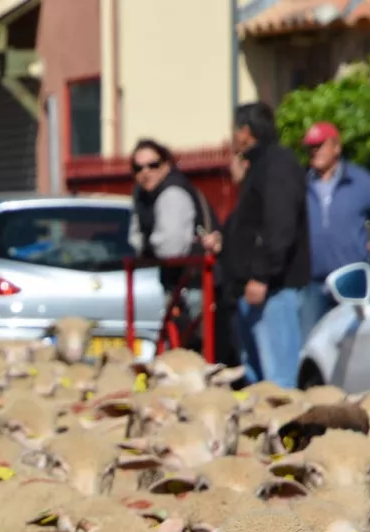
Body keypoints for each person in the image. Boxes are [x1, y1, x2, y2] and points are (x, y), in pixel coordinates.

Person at [205, 101, 311, 389]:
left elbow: (280, 225)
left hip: (272, 290)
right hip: (252, 288)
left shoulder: (277, 165)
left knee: (277, 382)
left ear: (246, 132)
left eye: (235, 131)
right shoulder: (259, 167)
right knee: (256, 381)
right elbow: (250, 225)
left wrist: (263, 274)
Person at [300, 121, 370, 337]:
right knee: (312, 342)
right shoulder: (301, 182)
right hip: (312, 283)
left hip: (351, 280)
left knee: (353, 340)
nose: (314, 152)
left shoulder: (359, 181)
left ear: (336, 147)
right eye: (310, 147)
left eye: (319, 145)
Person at [128, 138, 214, 349]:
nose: (145, 172)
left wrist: (148, 247)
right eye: (138, 168)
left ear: (166, 164)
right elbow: (134, 237)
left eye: (153, 165)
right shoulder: (143, 196)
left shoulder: (172, 193)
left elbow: (169, 248)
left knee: (192, 348)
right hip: (175, 282)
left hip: (193, 284)